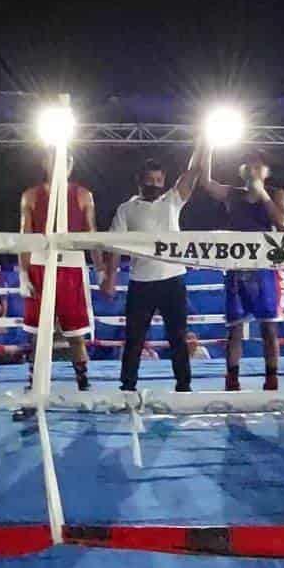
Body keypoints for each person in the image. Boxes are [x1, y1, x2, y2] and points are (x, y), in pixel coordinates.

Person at [102, 146, 204, 391]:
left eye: (158, 180)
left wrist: (204, 143)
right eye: (149, 181)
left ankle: (183, 386)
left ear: (164, 180)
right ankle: (127, 386)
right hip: (141, 281)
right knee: (134, 339)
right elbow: (115, 245)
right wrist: (110, 278)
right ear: (139, 182)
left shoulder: (172, 200)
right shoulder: (126, 209)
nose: (154, 184)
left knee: (178, 337)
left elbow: (193, 172)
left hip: (173, 279)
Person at [200, 150, 284, 390]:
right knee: (235, 328)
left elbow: (282, 223)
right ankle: (232, 378)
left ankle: (271, 378)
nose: (253, 169)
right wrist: (207, 148)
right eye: (248, 165)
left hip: (266, 269)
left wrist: (262, 194)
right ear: (242, 171)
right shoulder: (233, 194)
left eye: (258, 166)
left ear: (266, 171)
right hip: (238, 266)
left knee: (269, 327)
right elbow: (206, 183)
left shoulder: (276, 194)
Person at [19, 153, 100, 392]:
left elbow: (91, 234)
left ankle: (83, 381)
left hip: (72, 266)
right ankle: (34, 380)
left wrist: (101, 269)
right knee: (37, 333)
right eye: (54, 162)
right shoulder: (31, 195)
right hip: (40, 265)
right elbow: (25, 236)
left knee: (76, 334)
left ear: (71, 166)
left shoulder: (83, 195)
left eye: (65, 163)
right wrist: (23, 273)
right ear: (45, 164)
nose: (59, 167)